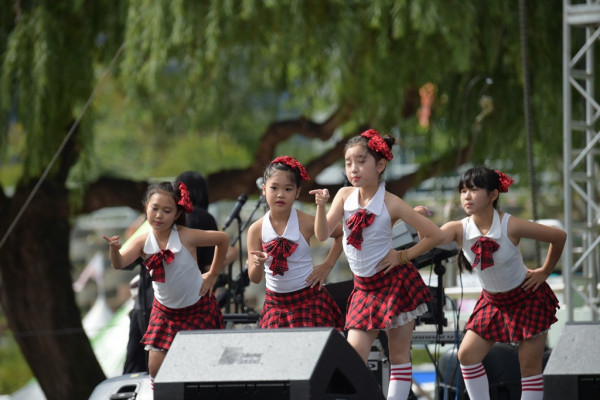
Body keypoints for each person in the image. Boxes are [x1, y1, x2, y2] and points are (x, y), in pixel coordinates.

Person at [310, 129, 444, 400]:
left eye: (361, 161)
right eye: (348, 162)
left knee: (399, 356)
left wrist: (402, 256)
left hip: (395, 283)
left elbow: (435, 235)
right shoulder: (344, 195)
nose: (353, 168)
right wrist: (321, 206)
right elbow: (322, 234)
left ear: (380, 165)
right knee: (352, 359)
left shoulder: (392, 202)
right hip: (364, 289)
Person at [418, 166, 565, 400]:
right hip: (493, 302)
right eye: (463, 191)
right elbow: (432, 239)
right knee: (467, 355)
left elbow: (558, 236)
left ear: (493, 195)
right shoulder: (458, 228)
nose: (467, 196)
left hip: (527, 297)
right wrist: (418, 220)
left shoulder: (510, 224)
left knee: (529, 368)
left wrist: (545, 271)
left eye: (474, 190)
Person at [103, 181, 230, 389]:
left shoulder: (186, 235)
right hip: (165, 313)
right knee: (155, 368)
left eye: (167, 211)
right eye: (154, 208)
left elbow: (223, 239)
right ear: (146, 207)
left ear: (177, 213)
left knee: (202, 368)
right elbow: (119, 264)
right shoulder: (142, 241)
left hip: (197, 307)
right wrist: (114, 250)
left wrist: (213, 274)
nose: (159, 215)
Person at [247, 155, 345, 329]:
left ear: (297, 192)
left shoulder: (305, 221)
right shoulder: (256, 229)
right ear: (264, 189)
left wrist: (327, 265)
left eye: (288, 189)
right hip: (275, 304)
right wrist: (257, 264)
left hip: (308, 299)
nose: (280, 194)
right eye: (274, 188)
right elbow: (254, 278)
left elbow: (342, 233)